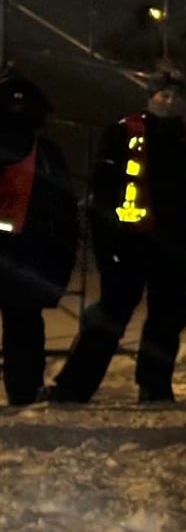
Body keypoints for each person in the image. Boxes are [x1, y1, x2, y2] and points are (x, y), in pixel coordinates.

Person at [51, 59, 186, 403]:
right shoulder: (123, 132)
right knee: (110, 316)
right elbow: (103, 191)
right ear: (150, 95)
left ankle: (155, 387)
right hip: (128, 245)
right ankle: (73, 388)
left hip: (175, 247)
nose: (168, 100)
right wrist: (105, 243)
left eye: (174, 94)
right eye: (162, 93)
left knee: (166, 320)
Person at [0, 71, 78, 406]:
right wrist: (58, 270)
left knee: (24, 324)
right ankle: (24, 391)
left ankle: (24, 390)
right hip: (28, 258)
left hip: (21, 255)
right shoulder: (47, 153)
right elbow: (64, 217)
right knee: (25, 326)